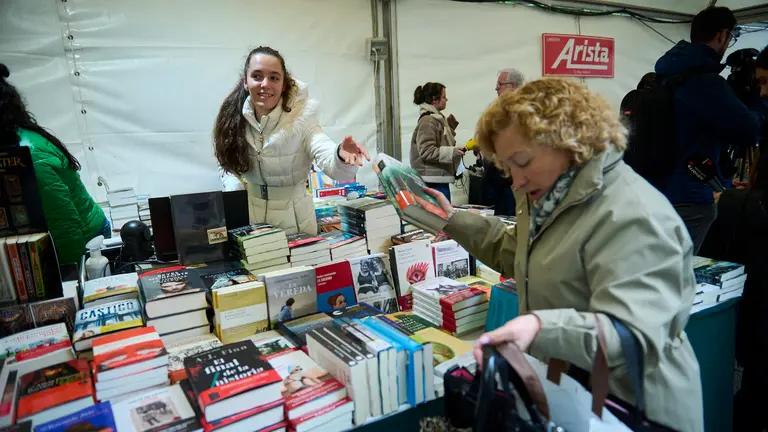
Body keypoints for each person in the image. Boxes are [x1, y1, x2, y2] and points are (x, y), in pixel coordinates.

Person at [425, 78, 703, 431]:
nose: (517, 182)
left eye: (522, 162)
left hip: (632, 409)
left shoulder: (633, 213)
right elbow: (517, 254)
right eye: (508, 168)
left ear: (569, 139)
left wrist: (541, 327)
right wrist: (451, 219)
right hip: (571, 397)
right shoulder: (549, 194)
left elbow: (632, 331)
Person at [213, 46, 369, 235]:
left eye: (274, 77)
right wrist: (235, 188)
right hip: (251, 222)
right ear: (245, 82)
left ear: (284, 84)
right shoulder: (234, 118)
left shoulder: (302, 118)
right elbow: (226, 162)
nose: (265, 84)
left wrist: (341, 157)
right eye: (257, 76)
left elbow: (327, 155)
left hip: (296, 223)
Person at [654, 6, 765, 254]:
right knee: (679, 275)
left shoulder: (668, 74)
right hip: (690, 196)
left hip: (658, 188)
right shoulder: (706, 84)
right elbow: (748, 130)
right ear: (721, 35)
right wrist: (759, 100)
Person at [0, 64, 110, 265]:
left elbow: (63, 223)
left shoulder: (28, 154)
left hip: (85, 240)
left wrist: (71, 276)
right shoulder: (13, 143)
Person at [479, 69, 525, 215]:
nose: (496, 88)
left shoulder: (522, 111)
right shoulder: (502, 110)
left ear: (513, 86)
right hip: (498, 180)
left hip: (510, 181)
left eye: (500, 84)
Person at [409, 82, 463, 202]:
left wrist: (450, 127)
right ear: (434, 99)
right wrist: (452, 152)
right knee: (441, 218)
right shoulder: (428, 121)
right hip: (432, 183)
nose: (446, 99)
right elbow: (426, 151)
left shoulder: (436, 119)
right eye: (444, 97)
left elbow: (438, 141)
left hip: (436, 180)